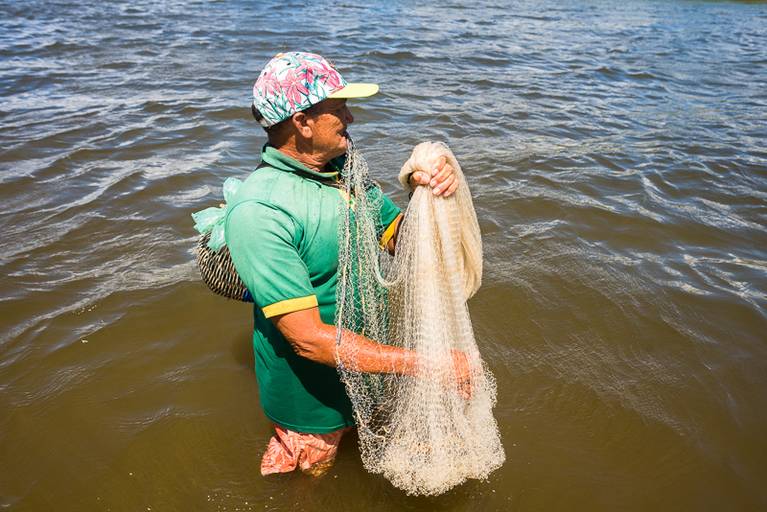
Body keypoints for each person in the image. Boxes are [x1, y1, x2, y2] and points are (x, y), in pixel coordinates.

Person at [224, 51, 466, 477]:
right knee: (313, 479)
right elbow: (308, 340)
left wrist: (425, 191)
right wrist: (427, 364)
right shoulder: (261, 211)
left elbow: (400, 240)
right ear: (302, 122)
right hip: (309, 399)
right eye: (338, 109)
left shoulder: (344, 172)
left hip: (372, 365)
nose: (350, 118)